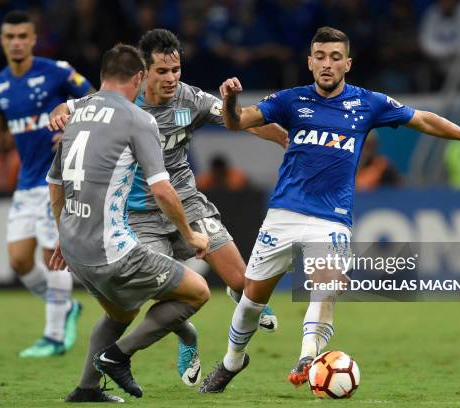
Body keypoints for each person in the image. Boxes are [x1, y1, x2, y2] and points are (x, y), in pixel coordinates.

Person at [199, 26, 460, 393]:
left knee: (326, 285)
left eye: (335, 57)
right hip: (283, 214)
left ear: (347, 63)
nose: (327, 64)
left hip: (331, 219)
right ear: (310, 62)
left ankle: (307, 357)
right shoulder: (290, 101)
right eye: (320, 57)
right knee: (251, 299)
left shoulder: (368, 103)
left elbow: (423, 118)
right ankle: (233, 361)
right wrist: (231, 102)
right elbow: (236, 123)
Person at [50, 28, 287, 387]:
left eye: (176, 70)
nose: (172, 78)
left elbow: (241, 121)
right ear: (142, 74)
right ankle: (187, 337)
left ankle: (236, 297)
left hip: (187, 204)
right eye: (162, 71)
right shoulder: (122, 104)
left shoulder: (190, 99)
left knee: (242, 281)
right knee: (165, 297)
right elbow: (70, 107)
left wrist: (285, 137)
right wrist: (57, 112)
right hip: (139, 215)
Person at [46, 43, 210, 403]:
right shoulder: (139, 118)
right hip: (111, 250)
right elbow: (163, 190)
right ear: (139, 77)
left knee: (121, 313)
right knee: (197, 291)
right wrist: (190, 235)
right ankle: (117, 357)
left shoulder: (76, 114)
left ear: (103, 76)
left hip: (75, 247)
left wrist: (63, 234)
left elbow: (55, 183)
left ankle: (86, 389)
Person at [0, 10, 93, 358]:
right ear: (2, 41)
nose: (17, 43)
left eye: (24, 36)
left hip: (58, 179)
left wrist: (74, 124)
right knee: (19, 262)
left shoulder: (57, 72)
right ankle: (66, 306)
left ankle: (54, 336)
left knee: (50, 255)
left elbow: (100, 99)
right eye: (11, 37)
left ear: (34, 39)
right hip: (26, 182)